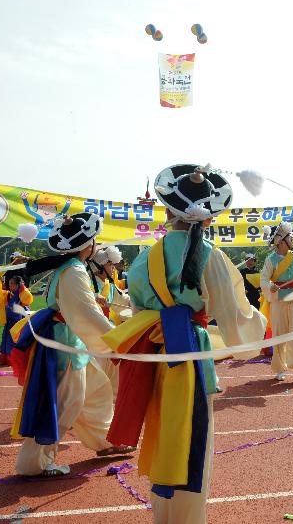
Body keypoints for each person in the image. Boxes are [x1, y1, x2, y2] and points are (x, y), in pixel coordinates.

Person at [102, 164, 266, 523]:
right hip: (190, 351)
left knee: (163, 429)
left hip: (158, 352)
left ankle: (164, 514)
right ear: (208, 219)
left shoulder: (146, 257)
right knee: (192, 437)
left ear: (168, 211)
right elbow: (235, 314)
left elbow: (138, 306)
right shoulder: (211, 255)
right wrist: (260, 327)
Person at [12, 211, 123, 478]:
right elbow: (86, 313)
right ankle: (39, 462)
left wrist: (94, 297)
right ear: (87, 246)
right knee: (66, 401)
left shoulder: (69, 269)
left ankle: (104, 440)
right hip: (65, 343)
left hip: (65, 339)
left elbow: (77, 302)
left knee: (95, 390)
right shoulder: (73, 270)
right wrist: (117, 337)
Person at [261, 221, 293, 381]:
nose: (292, 239)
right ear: (281, 240)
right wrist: (270, 286)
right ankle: (279, 368)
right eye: (290, 237)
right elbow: (263, 279)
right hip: (279, 301)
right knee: (279, 335)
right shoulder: (270, 259)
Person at [0, 274, 33, 364]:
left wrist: (22, 288)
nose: (10, 285)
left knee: (14, 341)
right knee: (5, 339)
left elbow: (28, 299)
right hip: (9, 322)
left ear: (18, 285)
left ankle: (13, 359)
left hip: (19, 323)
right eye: (9, 283)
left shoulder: (22, 295)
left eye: (12, 283)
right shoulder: (7, 295)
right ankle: (5, 358)